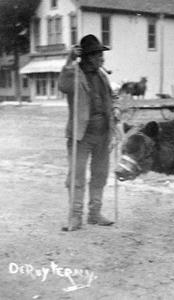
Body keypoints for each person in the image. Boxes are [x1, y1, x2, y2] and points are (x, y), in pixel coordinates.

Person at [58, 34, 121, 231]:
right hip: (81, 134)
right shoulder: (74, 74)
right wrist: (69, 60)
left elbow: (112, 97)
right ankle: (75, 217)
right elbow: (62, 85)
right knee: (77, 175)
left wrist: (116, 109)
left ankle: (95, 213)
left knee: (100, 173)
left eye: (102, 54)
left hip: (103, 132)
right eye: (97, 54)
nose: (102, 58)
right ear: (87, 57)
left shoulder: (102, 74)